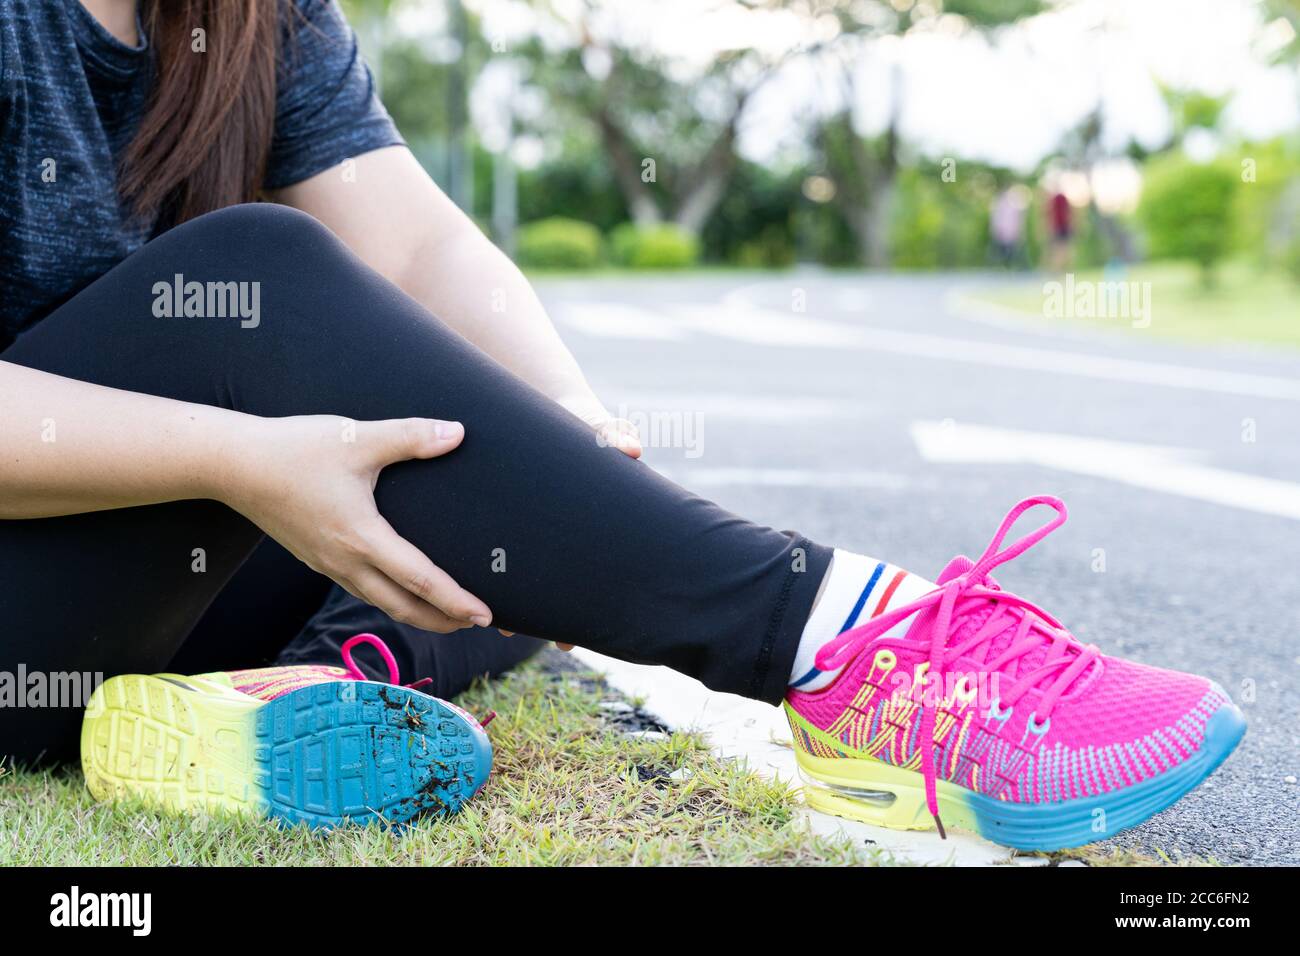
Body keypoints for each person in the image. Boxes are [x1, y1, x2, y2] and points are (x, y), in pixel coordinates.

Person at [0, 0, 1245, 849]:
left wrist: (571, 424)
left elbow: (419, 236)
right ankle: (834, 642)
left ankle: (282, 698)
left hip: (129, 583)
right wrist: (238, 456)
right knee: (254, 277)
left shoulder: (263, 17)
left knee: (516, 556)